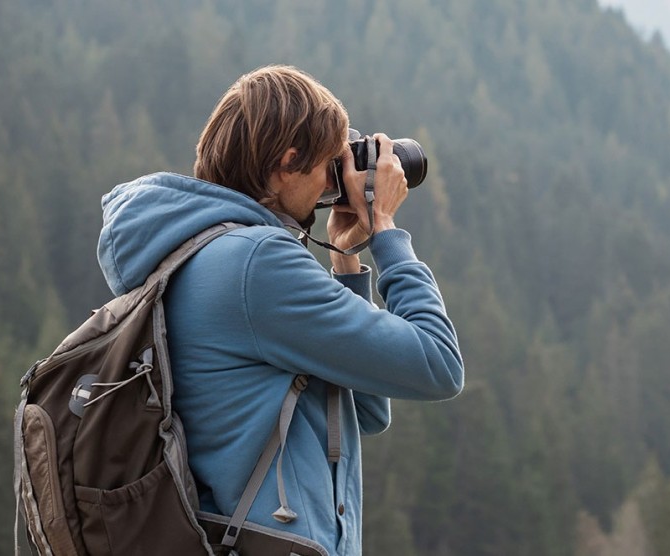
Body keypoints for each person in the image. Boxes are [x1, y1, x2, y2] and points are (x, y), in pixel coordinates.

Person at [95, 65, 464, 555]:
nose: (333, 182)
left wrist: (345, 258)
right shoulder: (256, 264)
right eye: (329, 164)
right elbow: (438, 365)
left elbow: (363, 409)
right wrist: (387, 232)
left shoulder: (195, 255)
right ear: (288, 162)